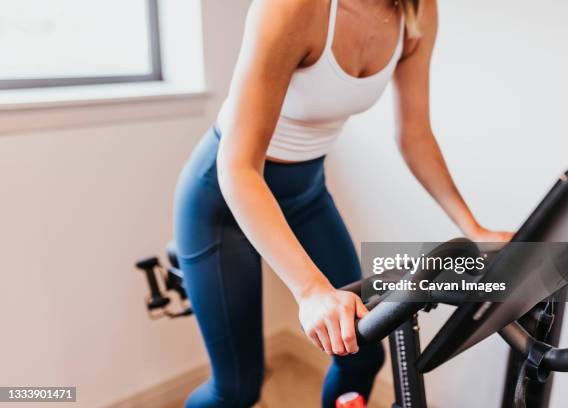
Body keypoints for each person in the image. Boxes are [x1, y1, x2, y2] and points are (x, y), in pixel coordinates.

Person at [173, 0, 513, 406]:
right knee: (237, 389)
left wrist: (472, 228)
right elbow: (239, 167)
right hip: (224, 202)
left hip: (305, 194)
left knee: (360, 353)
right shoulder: (291, 8)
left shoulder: (417, 10)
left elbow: (415, 135)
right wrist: (311, 290)